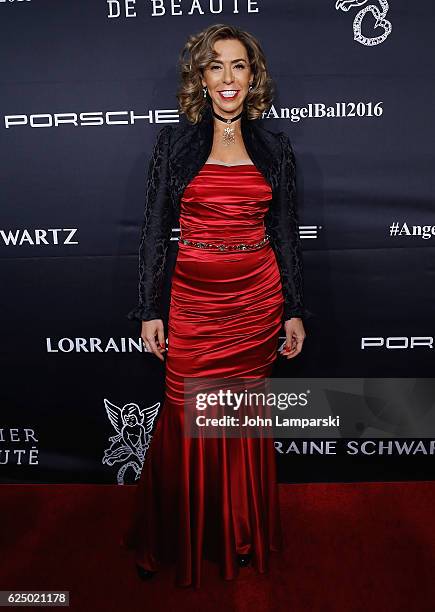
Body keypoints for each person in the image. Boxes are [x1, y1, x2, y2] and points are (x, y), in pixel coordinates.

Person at [121, 23, 311, 589]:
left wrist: (293, 308)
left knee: (238, 422)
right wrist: (149, 309)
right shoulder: (174, 144)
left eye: (239, 66)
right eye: (216, 66)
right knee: (185, 417)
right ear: (200, 78)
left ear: (253, 78)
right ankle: (172, 535)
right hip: (195, 304)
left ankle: (239, 533)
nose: (228, 78)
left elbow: (285, 234)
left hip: (257, 299)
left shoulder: (275, 147)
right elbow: (154, 231)